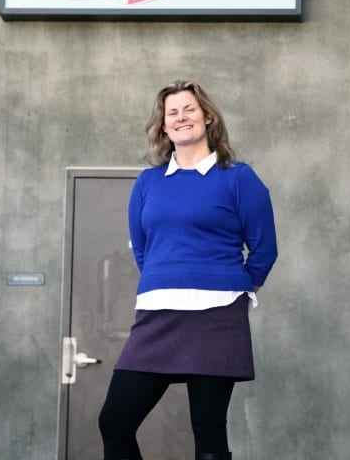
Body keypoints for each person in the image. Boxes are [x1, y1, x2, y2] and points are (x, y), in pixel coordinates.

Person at [99, 79, 278, 460]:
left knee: (208, 434)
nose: (181, 118)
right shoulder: (148, 183)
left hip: (217, 316)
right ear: (163, 126)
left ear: (208, 117)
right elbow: (144, 250)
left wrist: (235, 289)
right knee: (114, 423)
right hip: (158, 315)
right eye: (172, 113)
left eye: (189, 110)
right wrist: (165, 281)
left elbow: (264, 249)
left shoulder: (239, 178)